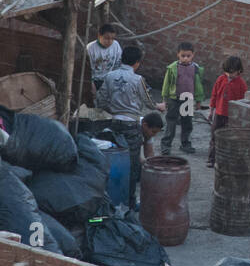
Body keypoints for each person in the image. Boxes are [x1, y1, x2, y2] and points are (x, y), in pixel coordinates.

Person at [95, 45, 166, 207]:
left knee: (113, 162)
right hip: (131, 125)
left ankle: (109, 201)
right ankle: (130, 202)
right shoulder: (138, 79)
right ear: (137, 63)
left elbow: (100, 100)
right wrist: (158, 106)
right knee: (133, 166)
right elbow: (148, 102)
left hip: (113, 124)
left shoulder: (109, 76)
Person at [160, 41, 206, 155]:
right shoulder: (172, 68)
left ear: (193, 55)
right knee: (171, 122)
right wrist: (164, 100)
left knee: (187, 123)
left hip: (188, 99)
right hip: (174, 98)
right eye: (183, 56)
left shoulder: (195, 68)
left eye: (188, 56)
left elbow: (198, 86)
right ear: (178, 55)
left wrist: (199, 101)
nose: (185, 58)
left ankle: (185, 144)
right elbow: (166, 84)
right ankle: (166, 146)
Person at [206, 56, 248, 167]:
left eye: (232, 73)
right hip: (219, 114)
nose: (229, 75)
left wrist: (239, 117)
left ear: (239, 71)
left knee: (229, 138)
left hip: (232, 117)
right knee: (214, 136)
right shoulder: (221, 79)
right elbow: (214, 95)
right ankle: (211, 159)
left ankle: (224, 161)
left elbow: (243, 101)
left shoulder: (241, 84)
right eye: (227, 72)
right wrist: (211, 110)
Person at [85, 23, 124, 93]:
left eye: (112, 38)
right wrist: (91, 84)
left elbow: (118, 63)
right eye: (107, 38)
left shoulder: (116, 45)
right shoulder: (90, 48)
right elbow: (87, 70)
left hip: (110, 79)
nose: (110, 41)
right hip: (95, 80)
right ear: (99, 36)